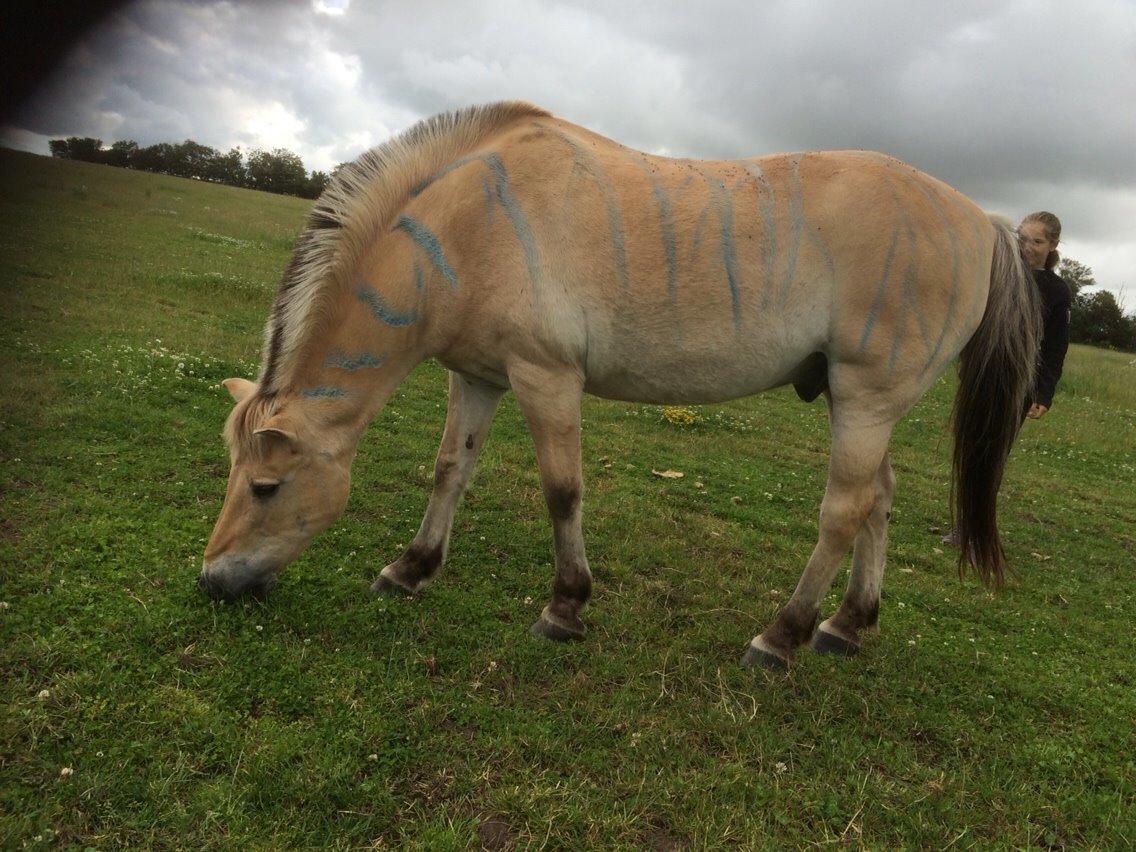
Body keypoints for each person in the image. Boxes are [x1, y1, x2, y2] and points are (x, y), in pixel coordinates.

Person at [942, 211, 1071, 547]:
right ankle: (963, 526)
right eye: (1022, 237)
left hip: (1019, 386)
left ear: (1053, 245)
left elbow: (1055, 348)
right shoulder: (997, 273)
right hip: (980, 375)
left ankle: (975, 531)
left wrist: (1044, 393)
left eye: (1037, 241)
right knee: (968, 446)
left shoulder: (1057, 291)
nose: (1027, 246)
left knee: (991, 454)